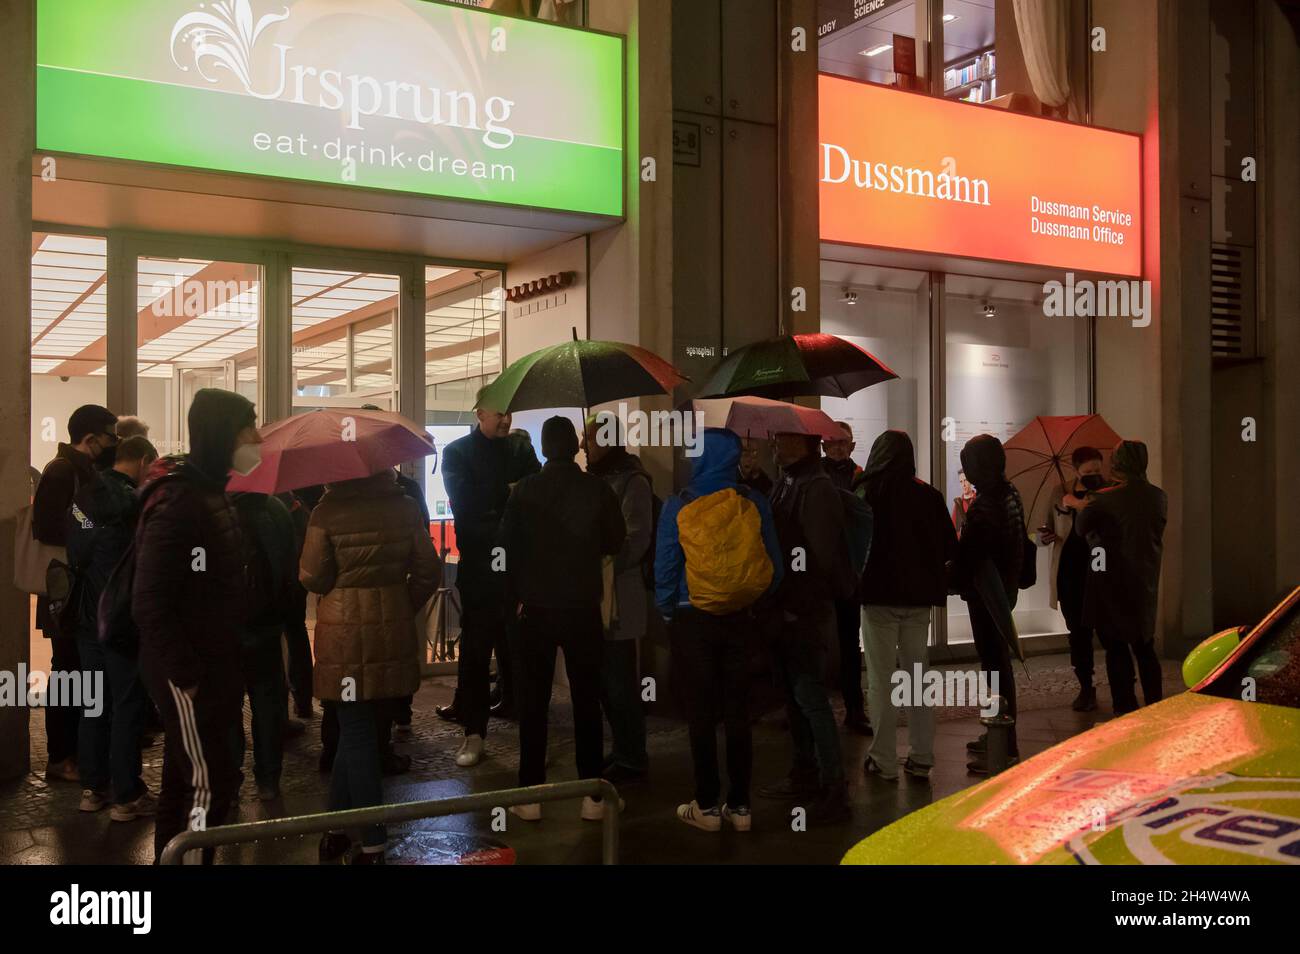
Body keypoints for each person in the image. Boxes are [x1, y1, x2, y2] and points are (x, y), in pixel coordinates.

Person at [132, 389, 260, 863]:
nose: (257, 437)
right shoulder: (180, 500)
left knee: (191, 778)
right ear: (223, 432)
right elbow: (150, 601)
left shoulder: (212, 491)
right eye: (249, 427)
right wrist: (188, 675)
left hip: (213, 664)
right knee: (206, 784)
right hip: (188, 672)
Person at [301, 467, 441, 864]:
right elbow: (428, 572)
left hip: (343, 637)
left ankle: (373, 842)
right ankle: (334, 829)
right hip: (389, 634)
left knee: (357, 731)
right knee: (357, 731)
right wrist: (398, 607)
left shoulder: (326, 512)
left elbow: (312, 577)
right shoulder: (406, 506)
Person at [657, 428, 783, 832]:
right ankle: (741, 807)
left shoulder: (679, 503)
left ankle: (707, 806)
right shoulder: (755, 500)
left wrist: (666, 610)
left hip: (691, 616)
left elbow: (665, 566)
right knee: (738, 713)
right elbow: (775, 568)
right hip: (741, 619)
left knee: (701, 714)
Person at [499, 417, 625, 821]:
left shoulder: (524, 491)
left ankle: (530, 795)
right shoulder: (596, 488)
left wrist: (516, 594)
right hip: (582, 608)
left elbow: (505, 547)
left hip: (535, 609)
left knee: (533, 701)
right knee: (587, 700)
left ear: (542, 447)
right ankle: (592, 795)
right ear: (573, 446)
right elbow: (615, 540)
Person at [761, 430, 857, 822]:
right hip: (787, 608)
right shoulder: (788, 482)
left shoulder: (816, 489)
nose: (775, 447)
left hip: (805, 611)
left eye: (781, 440)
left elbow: (815, 556)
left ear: (803, 443)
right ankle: (805, 771)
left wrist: (795, 605)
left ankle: (834, 789)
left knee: (811, 697)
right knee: (796, 696)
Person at [439, 398, 540, 766]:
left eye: (510, 412)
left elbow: (535, 497)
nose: (506, 419)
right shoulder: (457, 452)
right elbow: (466, 504)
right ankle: (474, 733)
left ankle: (531, 745)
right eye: (499, 413)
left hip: (519, 570)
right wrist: (509, 491)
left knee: (523, 655)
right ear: (480, 414)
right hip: (481, 570)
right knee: (476, 654)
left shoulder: (520, 448)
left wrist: (500, 497)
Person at [66, 435, 158, 821]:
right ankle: (126, 796)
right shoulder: (139, 504)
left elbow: (78, 550)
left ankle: (92, 789)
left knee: (94, 703)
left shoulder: (81, 501)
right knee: (126, 704)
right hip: (123, 618)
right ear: (140, 461)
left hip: (89, 617)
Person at [855, 431, 956, 781]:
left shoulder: (867, 494)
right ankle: (922, 756)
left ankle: (882, 760)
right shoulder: (928, 495)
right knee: (916, 677)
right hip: (918, 600)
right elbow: (948, 547)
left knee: (881, 680)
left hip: (877, 598)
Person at [32, 403, 119, 783]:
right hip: (65, 592)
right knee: (67, 669)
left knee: (76, 668)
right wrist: (91, 527)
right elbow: (49, 525)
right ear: (90, 438)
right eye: (109, 436)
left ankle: (76, 752)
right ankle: (60, 755)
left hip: (79, 588)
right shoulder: (63, 470)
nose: (113, 443)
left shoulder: (82, 470)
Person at [583, 414, 652, 784]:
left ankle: (633, 756)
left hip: (620, 600)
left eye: (590, 438)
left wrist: (598, 557)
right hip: (597, 597)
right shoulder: (595, 480)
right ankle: (624, 749)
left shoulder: (633, 480)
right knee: (607, 684)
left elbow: (636, 540)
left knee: (622, 683)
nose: (583, 446)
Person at [953, 434, 1026, 775]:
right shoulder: (1009, 494)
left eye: (969, 462)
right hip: (1002, 589)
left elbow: (971, 556)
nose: (965, 468)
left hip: (987, 594)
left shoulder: (986, 505)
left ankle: (1004, 742)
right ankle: (999, 734)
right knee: (997, 664)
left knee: (995, 665)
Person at [1076, 440, 1168, 715]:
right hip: (1145, 581)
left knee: (1116, 647)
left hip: (1111, 583)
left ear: (1118, 463)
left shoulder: (1105, 498)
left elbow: (1082, 528)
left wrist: (1084, 503)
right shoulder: (1158, 496)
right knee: (1144, 646)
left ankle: (1125, 705)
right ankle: (1154, 703)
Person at [231, 490, 298, 801]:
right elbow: (290, 566)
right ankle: (269, 780)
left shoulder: (213, 508)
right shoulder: (276, 509)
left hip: (225, 631)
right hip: (267, 626)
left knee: (228, 708)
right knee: (268, 706)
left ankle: (230, 782)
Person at [1038, 446, 1109, 711]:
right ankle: (1085, 687)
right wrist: (1046, 535)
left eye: (1097, 470)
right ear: (1076, 470)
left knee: (1104, 631)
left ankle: (1118, 686)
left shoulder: (1106, 491)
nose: (1094, 475)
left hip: (1098, 568)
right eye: (1088, 471)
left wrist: (1078, 503)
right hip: (1069, 570)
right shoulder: (1059, 491)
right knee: (1077, 633)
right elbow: (1047, 524)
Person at [823, 422, 870, 735]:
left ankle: (854, 708)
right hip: (823, 567)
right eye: (833, 443)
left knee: (849, 644)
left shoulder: (860, 477)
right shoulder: (816, 476)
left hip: (848, 569)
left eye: (843, 443)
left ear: (851, 446)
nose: (838, 448)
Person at [952, 469, 976, 537]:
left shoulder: (978, 500)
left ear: (970, 481)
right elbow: (953, 529)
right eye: (961, 482)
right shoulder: (958, 504)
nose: (963, 485)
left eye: (965, 480)